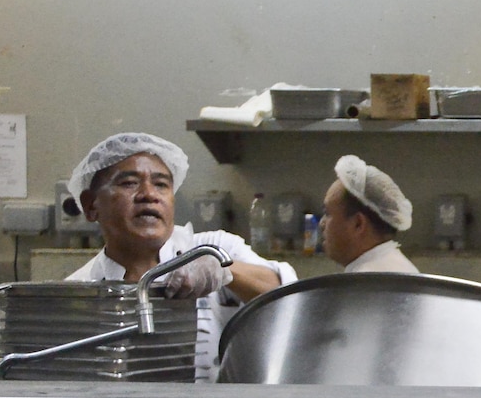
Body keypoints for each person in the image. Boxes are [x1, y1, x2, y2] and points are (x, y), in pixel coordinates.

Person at [64, 133, 294, 381]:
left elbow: (286, 297)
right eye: (129, 183)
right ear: (90, 205)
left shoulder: (214, 248)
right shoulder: (79, 291)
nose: (149, 194)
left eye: (161, 184)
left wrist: (224, 270)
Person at [322, 154, 418, 274]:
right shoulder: (395, 266)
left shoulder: (365, 282)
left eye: (327, 213)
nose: (322, 223)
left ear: (358, 223)